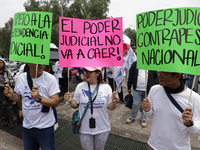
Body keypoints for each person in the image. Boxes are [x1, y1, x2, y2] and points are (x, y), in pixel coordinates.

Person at [4, 63, 60, 150]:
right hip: (27, 126)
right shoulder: (21, 78)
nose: (42, 66)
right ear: (29, 63)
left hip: (45, 127)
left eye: (43, 63)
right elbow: (20, 98)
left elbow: (55, 102)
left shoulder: (50, 79)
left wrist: (39, 99)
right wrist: (12, 96)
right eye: (38, 64)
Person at [142, 72, 200, 150]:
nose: (159, 75)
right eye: (159, 72)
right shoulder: (154, 89)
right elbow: (149, 114)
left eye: (163, 74)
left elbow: (198, 130)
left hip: (178, 148)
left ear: (177, 76)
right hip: (154, 145)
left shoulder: (194, 98)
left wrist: (190, 124)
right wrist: (147, 110)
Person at [64, 67, 119, 150]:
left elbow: (111, 107)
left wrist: (114, 101)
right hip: (84, 129)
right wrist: (70, 101)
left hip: (102, 128)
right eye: (85, 71)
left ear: (98, 73)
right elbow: (75, 105)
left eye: (89, 71)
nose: (86, 73)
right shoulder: (80, 86)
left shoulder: (106, 87)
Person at [126, 61, 158, 128]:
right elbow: (131, 75)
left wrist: (153, 85)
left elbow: (156, 77)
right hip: (137, 89)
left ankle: (143, 119)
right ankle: (132, 116)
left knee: (145, 105)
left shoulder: (152, 64)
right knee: (135, 104)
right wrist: (129, 86)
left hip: (148, 90)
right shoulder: (135, 64)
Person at [0, 58, 15, 128]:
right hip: (0, 91)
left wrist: (8, 83)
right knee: (4, 105)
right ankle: (9, 121)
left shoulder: (7, 71)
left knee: (13, 102)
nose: (0, 64)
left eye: (1, 62)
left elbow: (12, 80)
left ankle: (18, 118)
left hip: (8, 89)